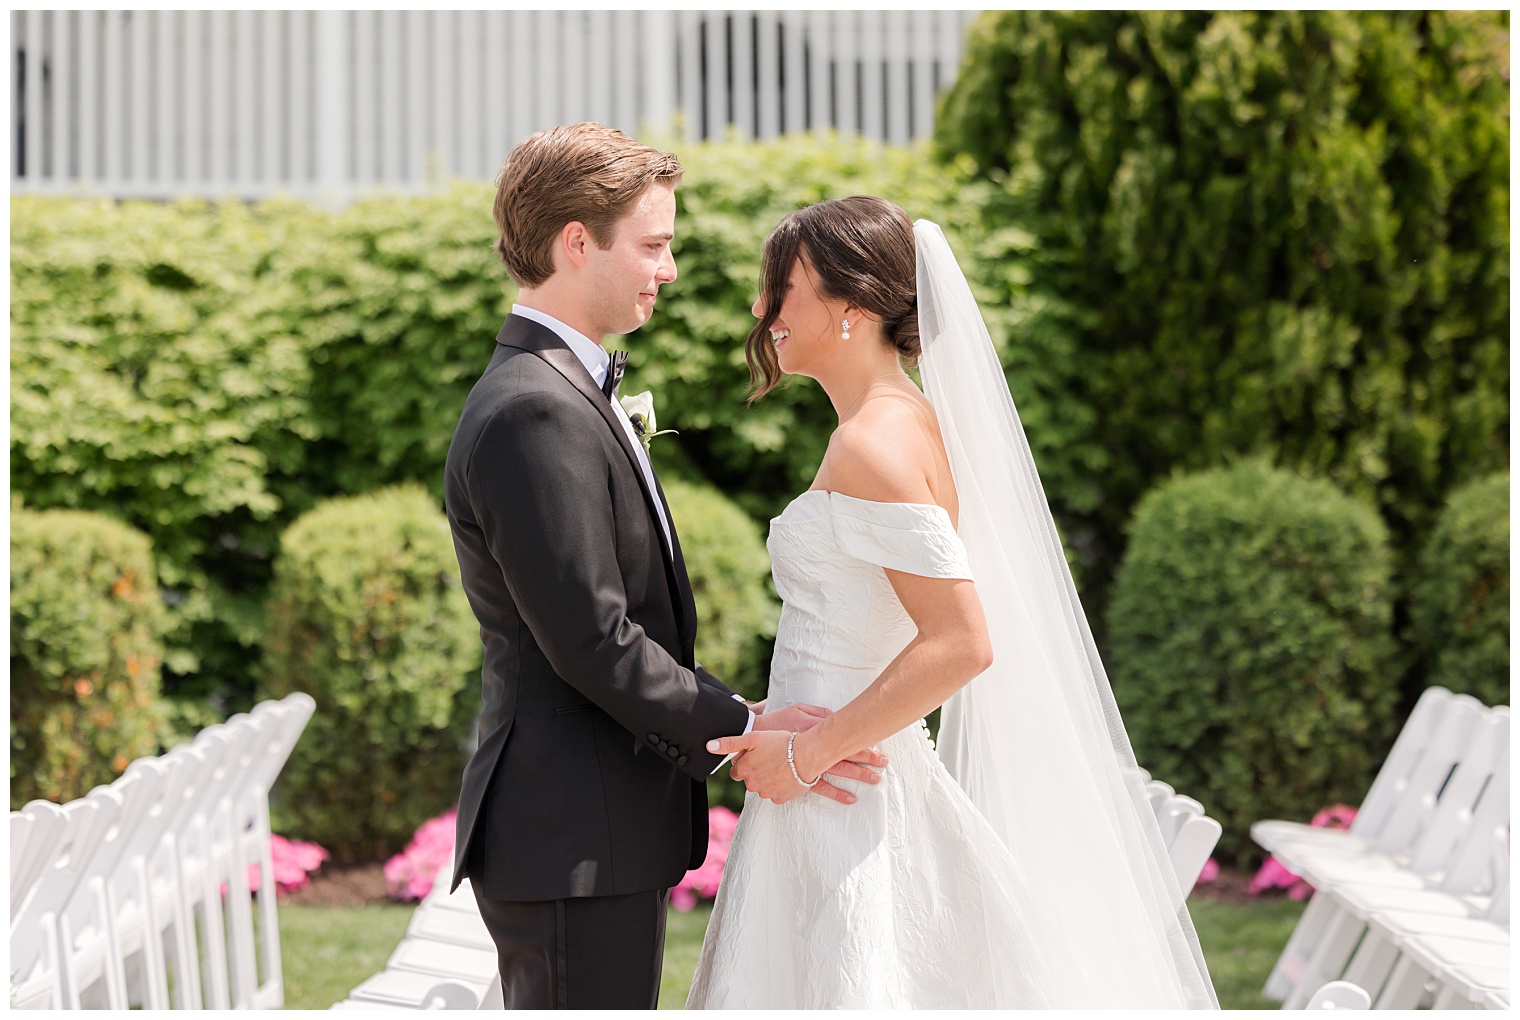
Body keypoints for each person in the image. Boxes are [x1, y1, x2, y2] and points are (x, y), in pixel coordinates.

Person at [691, 197, 1220, 1008]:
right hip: (833, 765)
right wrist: (777, 719)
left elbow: (961, 642)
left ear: (852, 307)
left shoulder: (874, 441)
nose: (763, 311)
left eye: (783, 288)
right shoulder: (903, 424)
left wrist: (807, 754)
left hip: (841, 790)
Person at [442, 125, 886, 1009]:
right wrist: (738, 728)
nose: (670, 268)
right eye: (653, 244)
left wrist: (747, 711)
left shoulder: (563, 392)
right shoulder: (536, 411)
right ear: (577, 242)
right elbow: (594, 640)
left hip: (591, 831)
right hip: (572, 835)